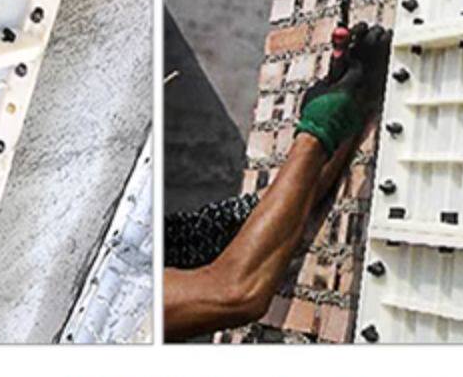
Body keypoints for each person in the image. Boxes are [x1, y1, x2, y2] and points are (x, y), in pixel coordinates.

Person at [163, 23, 391, 341]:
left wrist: (348, 104)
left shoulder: (167, 241)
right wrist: (315, 131)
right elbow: (235, 293)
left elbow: (284, 207)